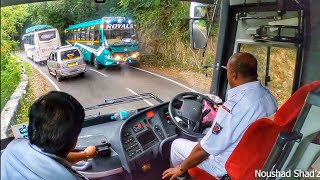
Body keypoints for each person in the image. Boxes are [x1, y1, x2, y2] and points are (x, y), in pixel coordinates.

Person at [162, 52, 278, 180]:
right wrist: (223, 112)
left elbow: (203, 151)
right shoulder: (267, 95)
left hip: (223, 169)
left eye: (227, 71)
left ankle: (174, 176)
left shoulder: (233, 107)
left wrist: (180, 168)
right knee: (205, 133)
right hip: (251, 160)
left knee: (176, 145)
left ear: (233, 74)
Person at [1, 91, 97, 180]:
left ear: (31, 127)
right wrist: (85, 155)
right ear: (74, 142)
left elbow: (47, 159)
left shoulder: (13, 148)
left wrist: (85, 154)